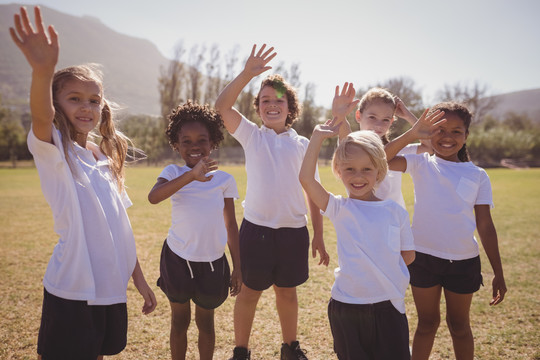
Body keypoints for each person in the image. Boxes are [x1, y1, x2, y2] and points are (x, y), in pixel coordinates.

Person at [9, 6, 157, 360]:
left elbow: (119, 228)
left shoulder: (103, 158)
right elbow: (41, 115)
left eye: (93, 100)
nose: (86, 107)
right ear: (57, 103)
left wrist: (138, 278)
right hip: (72, 288)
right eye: (74, 98)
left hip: (110, 290)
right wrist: (43, 72)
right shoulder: (54, 151)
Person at [215, 44, 329, 360]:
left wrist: (318, 233)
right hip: (256, 231)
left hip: (294, 232)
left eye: (279, 100)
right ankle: (241, 350)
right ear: (258, 108)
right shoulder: (253, 136)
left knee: (287, 293)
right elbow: (222, 107)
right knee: (249, 293)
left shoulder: (304, 144)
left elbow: (313, 190)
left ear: (290, 108)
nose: (272, 105)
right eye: (265, 100)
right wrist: (246, 74)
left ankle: (290, 347)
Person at [385, 102, 507, 360]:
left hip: (463, 263)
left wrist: (498, 272)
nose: (448, 137)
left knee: (460, 327)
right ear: (430, 132)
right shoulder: (421, 163)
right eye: (440, 130)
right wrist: (413, 131)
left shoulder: (478, 175)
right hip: (423, 259)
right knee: (427, 324)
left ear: (466, 136)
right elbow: (377, 160)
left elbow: (485, 225)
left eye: (456, 131)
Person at [299, 116, 416, 360]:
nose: (358, 176)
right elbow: (306, 180)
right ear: (339, 172)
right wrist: (317, 138)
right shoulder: (339, 208)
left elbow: (408, 255)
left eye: (366, 169)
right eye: (349, 169)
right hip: (346, 307)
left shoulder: (396, 212)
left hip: (389, 307)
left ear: (380, 171)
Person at [148, 101, 242, 360]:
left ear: (212, 142)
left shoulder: (224, 180)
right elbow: (154, 197)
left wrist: (238, 267)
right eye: (186, 141)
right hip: (177, 257)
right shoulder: (173, 173)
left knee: (206, 324)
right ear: (176, 145)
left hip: (212, 262)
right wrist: (191, 176)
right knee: (179, 322)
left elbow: (231, 224)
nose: (194, 146)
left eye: (202, 139)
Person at [332, 85, 431, 208]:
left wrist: (407, 115)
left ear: (392, 121)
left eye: (385, 119)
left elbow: (428, 147)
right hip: (363, 219)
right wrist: (340, 116)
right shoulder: (351, 147)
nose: (378, 125)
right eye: (372, 117)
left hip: (394, 221)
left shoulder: (399, 150)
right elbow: (344, 134)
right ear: (359, 116)